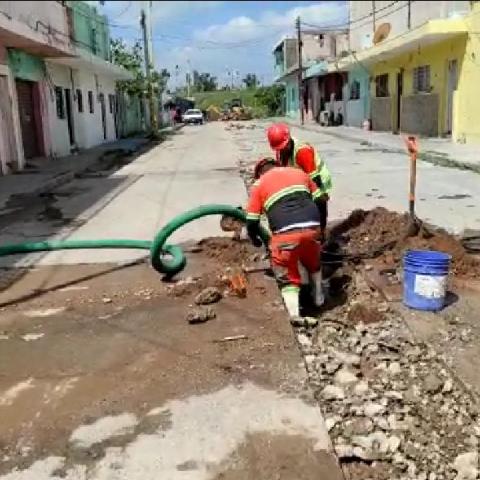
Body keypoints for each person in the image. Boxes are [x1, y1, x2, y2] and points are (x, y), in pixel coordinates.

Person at [246, 157, 326, 323]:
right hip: (312, 229)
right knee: (313, 262)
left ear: (259, 173)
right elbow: (320, 200)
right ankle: (319, 298)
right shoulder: (299, 173)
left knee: (287, 274)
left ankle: (294, 314)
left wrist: (255, 239)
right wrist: (321, 229)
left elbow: (252, 220)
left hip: (285, 236)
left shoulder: (259, 184)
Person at [266, 123, 332, 239]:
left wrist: (317, 196)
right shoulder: (281, 151)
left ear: (288, 140)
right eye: (279, 149)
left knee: (318, 205)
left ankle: (321, 234)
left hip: (318, 179)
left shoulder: (302, 151)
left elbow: (314, 178)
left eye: (283, 147)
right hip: (302, 180)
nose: (282, 150)